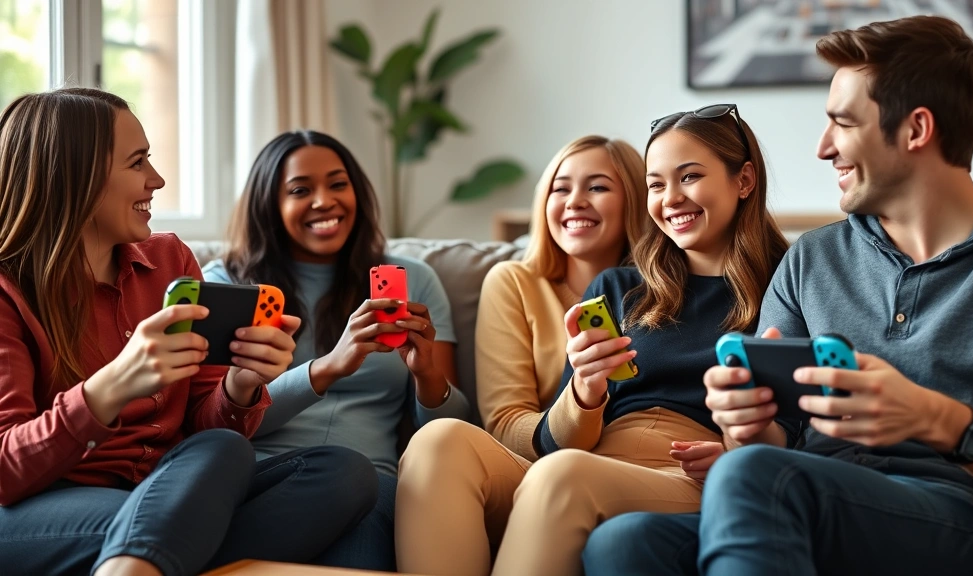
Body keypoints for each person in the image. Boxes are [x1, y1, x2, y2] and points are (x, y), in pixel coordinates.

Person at [584, 16, 973, 576]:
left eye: (842, 123)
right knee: (623, 543)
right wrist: (745, 422)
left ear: (916, 129)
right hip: (804, 495)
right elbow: (770, 439)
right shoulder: (812, 259)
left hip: (960, 513)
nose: (822, 149)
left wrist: (931, 416)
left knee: (758, 477)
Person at [0, 88, 377, 576]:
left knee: (339, 473)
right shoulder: (9, 290)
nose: (156, 180)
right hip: (41, 507)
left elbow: (207, 426)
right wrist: (112, 386)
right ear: (78, 177)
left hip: (166, 490)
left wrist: (240, 385)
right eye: (138, 164)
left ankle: (148, 556)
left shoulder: (168, 261)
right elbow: (7, 472)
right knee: (170, 513)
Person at [398, 111, 787, 576]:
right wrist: (585, 389)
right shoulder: (620, 286)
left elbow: (798, 422)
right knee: (438, 440)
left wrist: (735, 454)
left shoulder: (788, 282)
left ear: (744, 180)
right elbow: (563, 441)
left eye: (690, 177)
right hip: (591, 460)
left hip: (689, 473)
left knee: (564, 476)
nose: (671, 198)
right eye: (657, 185)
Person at [203, 130, 468, 570]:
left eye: (337, 184)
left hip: (371, 483)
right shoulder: (230, 285)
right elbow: (216, 418)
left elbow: (455, 435)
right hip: (259, 476)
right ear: (270, 203)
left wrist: (428, 377)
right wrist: (325, 368)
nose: (324, 201)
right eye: (300, 190)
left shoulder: (414, 279)